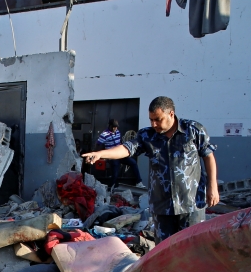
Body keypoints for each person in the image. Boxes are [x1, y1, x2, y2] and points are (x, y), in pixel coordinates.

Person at [83, 97, 219, 239]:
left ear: (171, 114)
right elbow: (127, 149)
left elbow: (208, 156)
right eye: (151, 120)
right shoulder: (147, 135)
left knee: (191, 247)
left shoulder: (193, 130)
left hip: (191, 204)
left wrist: (212, 186)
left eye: (158, 119)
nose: (154, 124)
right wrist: (100, 153)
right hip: (162, 206)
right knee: (164, 251)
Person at [95, 120, 142, 190]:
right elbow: (98, 145)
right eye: (114, 127)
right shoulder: (104, 135)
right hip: (112, 156)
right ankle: (110, 188)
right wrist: (99, 155)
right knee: (115, 174)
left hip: (120, 154)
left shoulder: (117, 132)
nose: (115, 128)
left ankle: (139, 182)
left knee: (133, 162)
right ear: (110, 126)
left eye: (116, 127)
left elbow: (119, 142)